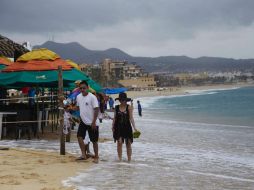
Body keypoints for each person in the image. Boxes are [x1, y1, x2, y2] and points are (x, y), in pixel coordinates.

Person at [74, 80, 100, 163]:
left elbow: (96, 109)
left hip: (93, 122)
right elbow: (78, 107)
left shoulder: (92, 97)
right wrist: (69, 107)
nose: (82, 90)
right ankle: (83, 154)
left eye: (84, 88)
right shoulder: (78, 97)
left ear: (88, 88)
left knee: (94, 141)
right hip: (83, 121)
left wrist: (93, 122)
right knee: (79, 136)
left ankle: (96, 157)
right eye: (81, 88)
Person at [112, 92, 138, 162]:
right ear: (119, 100)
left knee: (128, 143)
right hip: (118, 127)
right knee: (119, 142)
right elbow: (114, 118)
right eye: (121, 100)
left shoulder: (128, 107)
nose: (122, 101)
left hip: (127, 127)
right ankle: (120, 159)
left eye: (124, 100)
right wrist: (112, 126)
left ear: (126, 100)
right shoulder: (117, 107)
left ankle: (129, 159)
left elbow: (131, 118)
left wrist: (135, 128)